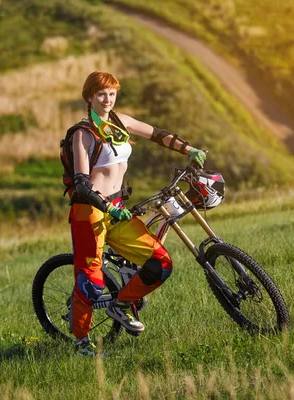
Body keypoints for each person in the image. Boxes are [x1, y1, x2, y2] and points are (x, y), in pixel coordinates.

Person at [67, 71, 206, 356]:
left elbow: (156, 134)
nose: (107, 100)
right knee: (90, 281)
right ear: (89, 97)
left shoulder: (121, 122)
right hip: (90, 211)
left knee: (160, 263)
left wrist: (189, 149)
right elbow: (81, 184)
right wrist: (105, 208)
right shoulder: (82, 134)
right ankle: (81, 342)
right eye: (101, 94)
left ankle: (119, 306)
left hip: (117, 208)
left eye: (112, 94)